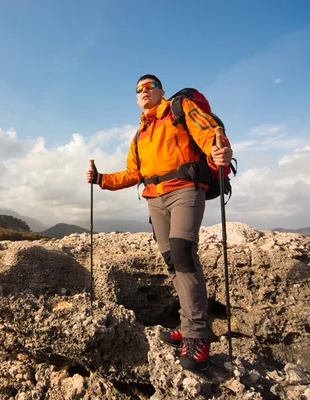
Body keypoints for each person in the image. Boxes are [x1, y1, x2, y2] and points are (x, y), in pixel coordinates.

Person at [85, 74, 233, 371]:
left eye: (149, 86)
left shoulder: (180, 108)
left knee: (183, 255)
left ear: (161, 91)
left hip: (185, 190)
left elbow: (208, 133)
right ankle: (186, 323)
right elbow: (132, 173)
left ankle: (196, 335)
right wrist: (101, 179)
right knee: (171, 261)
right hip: (154, 198)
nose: (143, 91)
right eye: (138, 89)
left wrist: (219, 152)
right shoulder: (140, 133)